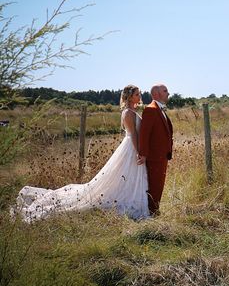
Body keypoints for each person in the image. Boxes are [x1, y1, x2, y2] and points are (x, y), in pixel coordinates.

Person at [14, 85, 150, 222]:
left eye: (139, 94)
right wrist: (138, 152)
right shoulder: (127, 113)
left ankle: (131, 198)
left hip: (133, 147)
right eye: (137, 94)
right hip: (130, 148)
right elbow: (132, 134)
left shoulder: (133, 111)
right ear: (130, 96)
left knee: (128, 176)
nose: (140, 96)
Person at [138, 83, 173, 216]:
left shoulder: (160, 109)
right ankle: (152, 213)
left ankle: (154, 210)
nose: (168, 93)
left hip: (162, 155)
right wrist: (143, 154)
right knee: (154, 186)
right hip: (154, 156)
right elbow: (144, 134)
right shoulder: (150, 110)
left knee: (159, 185)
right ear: (156, 94)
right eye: (165, 91)